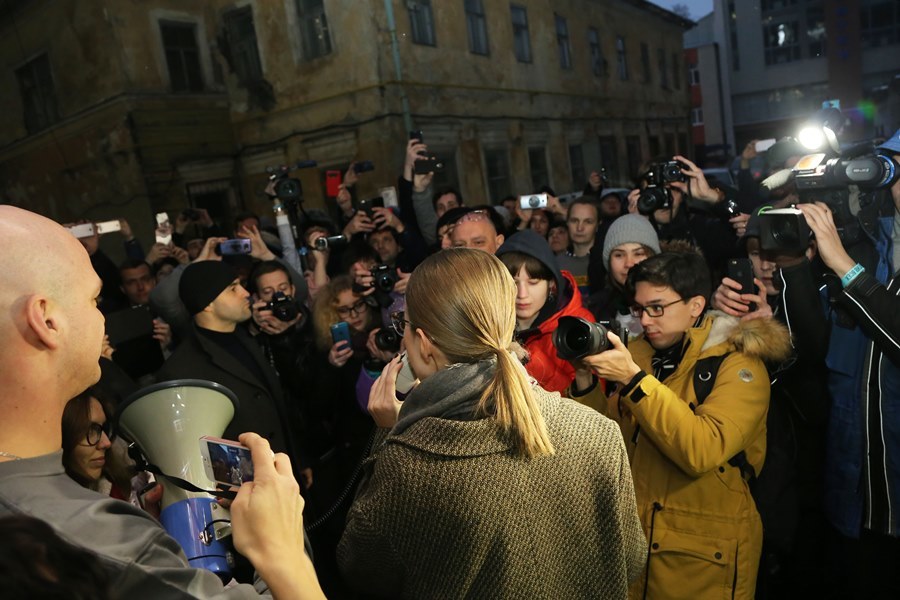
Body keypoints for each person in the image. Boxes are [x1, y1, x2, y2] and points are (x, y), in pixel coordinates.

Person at [0, 205, 323, 599]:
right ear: (47, 321)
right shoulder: (89, 542)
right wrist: (284, 545)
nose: (103, 320)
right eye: (94, 301)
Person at [337, 248, 646, 598]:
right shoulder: (596, 430)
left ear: (423, 344)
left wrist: (388, 436)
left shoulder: (410, 462)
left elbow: (361, 569)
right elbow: (630, 560)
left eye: (403, 325)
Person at [581, 251, 791, 599]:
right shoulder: (641, 356)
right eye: (639, 309)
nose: (646, 320)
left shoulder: (739, 365)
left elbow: (702, 450)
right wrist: (586, 382)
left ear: (696, 305)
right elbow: (608, 443)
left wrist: (633, 381)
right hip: (639, 544)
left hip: (704, 558)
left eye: (658, 308)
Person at [794, 135, 900, 598]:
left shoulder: (856, 263)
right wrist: (795, 268)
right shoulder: (875, 249)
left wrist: (843, 266)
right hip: (856, 497)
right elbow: (815, 348)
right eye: (896, 171)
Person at [496, 230, 596, 393]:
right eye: (512, 283)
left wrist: (528, 361)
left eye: (533, 282)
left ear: (552, 284)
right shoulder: (488, 323)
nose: (522, 294)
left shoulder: (578, 323)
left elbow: (592, 406)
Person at [586, 214, 661, 331]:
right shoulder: (593, 310)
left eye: (638, 254)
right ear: (609, 262)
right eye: (619, 255)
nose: (629, 263)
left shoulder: (674, 304)